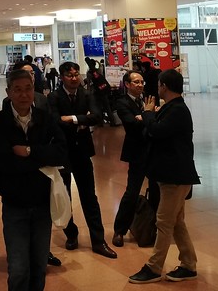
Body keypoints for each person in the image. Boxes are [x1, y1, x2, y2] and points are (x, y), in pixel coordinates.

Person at [0, 68, 67, 291]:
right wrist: (43, 157)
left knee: (39, 264)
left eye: (28, 89)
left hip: (43, 201)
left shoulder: (45, 119)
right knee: (18, 266)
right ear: (8, 92)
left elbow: (61, 152)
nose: (24, 94)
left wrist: (30, 151)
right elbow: (5, 163)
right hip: (15, 203)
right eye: (18, 90)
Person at [129, 69, 200, 284]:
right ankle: (188, 264)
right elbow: (149, 132)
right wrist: (152, 119)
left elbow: (156, 131)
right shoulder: (170, 108)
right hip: (169, 173)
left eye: (159, 84)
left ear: (164, 87)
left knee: (163, 221)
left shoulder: (177, 110)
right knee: (176, 221)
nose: (157, 87)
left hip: (175, 176)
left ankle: (153, 267)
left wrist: (149, 114)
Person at [48, 61, 117, 259]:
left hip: (83, 153)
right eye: (69, 75)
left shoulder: (87, 95)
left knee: (89, 197)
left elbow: (96, 116)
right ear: (62, 77)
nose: (74, 78)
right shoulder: (54, 97)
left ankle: (98, 240)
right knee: (65, 195)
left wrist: (72, 119)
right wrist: (81, 120)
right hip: (62, 153)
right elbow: (54, 121)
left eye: (76, 74)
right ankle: (71, 234)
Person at [112, 71, 159, 247]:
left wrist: (145, 117)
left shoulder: (149, 99)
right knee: (132, 192)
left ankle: (154, 229)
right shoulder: (122, 102)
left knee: (156, 191)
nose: (140, 85)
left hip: (153, 151)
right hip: (137, 152)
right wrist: (148, 116)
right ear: (127, 84)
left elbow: (157, 119)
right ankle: (119, 230)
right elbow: (130, 124)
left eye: (142, 82)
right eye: (136, 82)